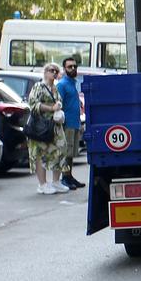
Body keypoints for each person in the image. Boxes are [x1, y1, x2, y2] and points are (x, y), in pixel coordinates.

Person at [26, 63, 69, 196]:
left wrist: (58, 109)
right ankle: (42, 184)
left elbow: (58, 103)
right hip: (41, 127)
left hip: (55, 126)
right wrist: (51, 108)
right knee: (40, 154)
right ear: (45, 72)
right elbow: (33, 104)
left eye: (56, 71)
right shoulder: (39, 86)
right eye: (52, 70)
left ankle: (56, 181)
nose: (54, 73)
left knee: (61, 150)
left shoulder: (55, 88)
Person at [57, 56, 85, 190]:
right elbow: (58, 104)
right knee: (66, 152)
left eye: (74, 66)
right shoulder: (62, 84)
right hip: (66, 123)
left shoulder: (73, 83)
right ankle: (64, 178)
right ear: (64, 69)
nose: (73, 68)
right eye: (70, 67)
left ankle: (69, 176)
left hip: (75, 122)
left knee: (72, 152)